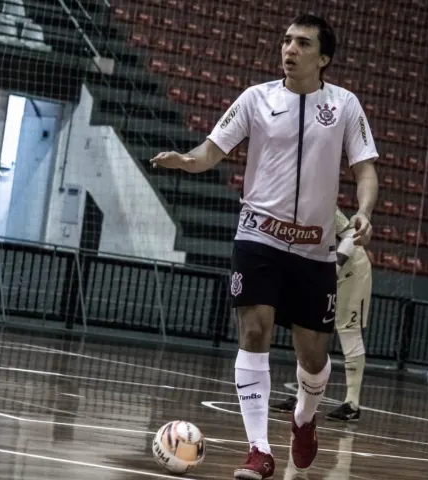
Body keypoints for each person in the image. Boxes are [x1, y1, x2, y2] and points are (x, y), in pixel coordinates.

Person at [150, 13, 379, 480]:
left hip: (315, 250)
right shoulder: (256, 99)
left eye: (302, 43)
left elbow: (365, 169)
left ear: (324, 58)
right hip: (258, 237)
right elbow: (210, 151)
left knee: (313, 358)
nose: (289, 50)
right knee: (253, 332)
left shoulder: (346, 105)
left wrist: (365, 211)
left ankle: (304, 420)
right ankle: (258, 450)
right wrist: (184, 161)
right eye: (286, 41)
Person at [270, 207, 372, 422]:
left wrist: (334, 268)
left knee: (348, 331)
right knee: (306, 327)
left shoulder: (323, 202)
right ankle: (302, 397)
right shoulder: (282, 203)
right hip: (319, 268)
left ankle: (352, 403)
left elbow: (351, 237)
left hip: (350, 269)